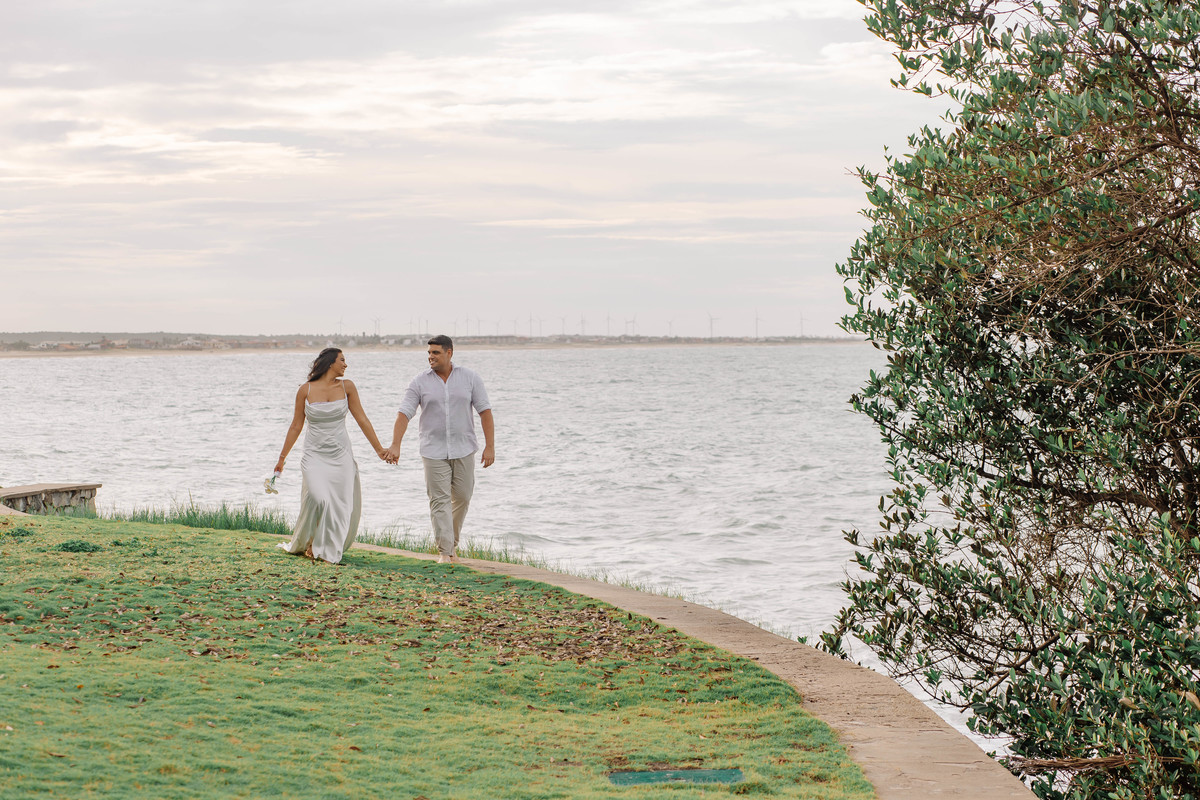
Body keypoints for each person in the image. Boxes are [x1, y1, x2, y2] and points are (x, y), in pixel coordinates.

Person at [274, 347, 391, 563]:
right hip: (314, 454)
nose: (346, 364)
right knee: (318, 498)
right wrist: (282, 459)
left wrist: (379, 450)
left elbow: (362, 419)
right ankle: (311, 540)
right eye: (342, 360)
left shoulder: (348, 387)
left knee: (339, 504)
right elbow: (296, 426)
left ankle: (323, 548)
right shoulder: (305, 390)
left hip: (341, 454)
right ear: (330, 363)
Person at [383, 335, 494, 564]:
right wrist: (396, 444)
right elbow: (404, 413)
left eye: (436, 352)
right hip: (433, 451)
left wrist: (490, 446)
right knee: (439, 501)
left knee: (463, 497)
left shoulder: (470, 378)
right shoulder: (419, 382)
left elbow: (485, 411)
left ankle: (451, 544)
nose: (430, 357)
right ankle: (445, 551)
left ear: (449, 353)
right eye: (429, 353)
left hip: (464, 448)